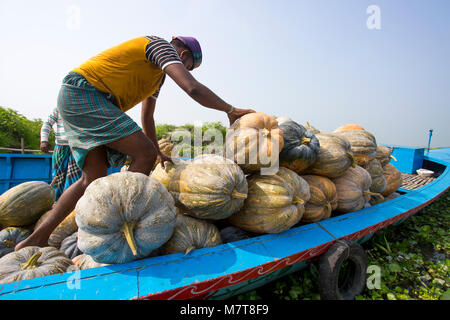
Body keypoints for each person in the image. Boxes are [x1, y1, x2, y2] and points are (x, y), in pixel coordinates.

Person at [16, 35, 255, 250]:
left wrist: (158, 152)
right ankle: (121, 222)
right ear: (182, 55)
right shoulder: (160, 46)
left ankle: (37, 238)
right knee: (144, 154)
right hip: (85, 93)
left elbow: (147, 116)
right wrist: (230, 110)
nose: (184, 70)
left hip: (81, 96)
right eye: (188, 66)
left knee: (92, 177)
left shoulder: (156, 78)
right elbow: (192, 88)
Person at [40, 107, 82, 200]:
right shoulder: (59, 108)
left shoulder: (82, 107)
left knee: (74, 179)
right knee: (57, 178)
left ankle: (71, 203)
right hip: (60, 147)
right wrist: (43, 140)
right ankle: (56, 202)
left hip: (77, 148)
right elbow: (47, 124)